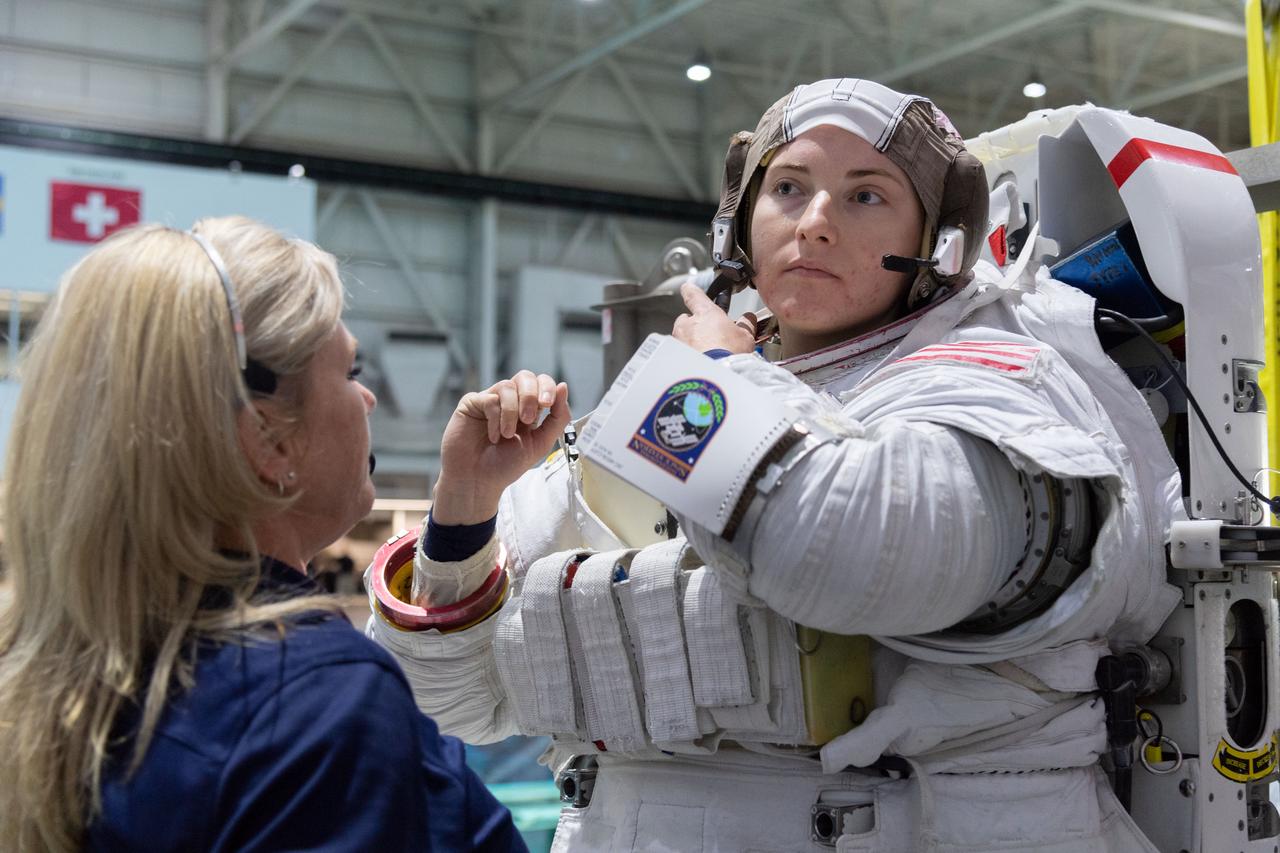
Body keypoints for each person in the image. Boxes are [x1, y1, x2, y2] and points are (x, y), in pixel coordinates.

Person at [370, 79, 1181, 851]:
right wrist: (465, 505)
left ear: (935, 243)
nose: (817, 222)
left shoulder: (997, 385)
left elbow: (843, 550)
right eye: (788, 187)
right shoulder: (672, 404)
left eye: (867, 195)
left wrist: (718, 383)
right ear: (739, 224)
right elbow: (455, 698)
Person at [0, 217, 526, 852]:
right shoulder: (313, 701)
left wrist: (464, 505)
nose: (368, 401)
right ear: (270, 441)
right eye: (349, 371)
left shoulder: (73, 675)